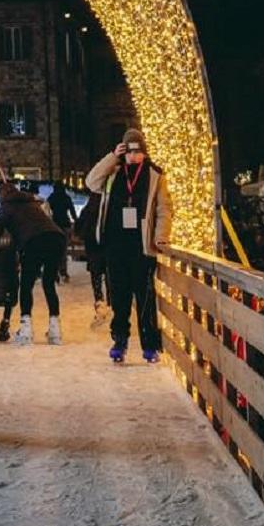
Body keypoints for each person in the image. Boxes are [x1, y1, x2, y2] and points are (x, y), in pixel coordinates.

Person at [85, 128, 171, 364]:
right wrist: (112, 156)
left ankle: (149, 345)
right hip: (115, 245)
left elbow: (164, 209)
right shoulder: (113, 172)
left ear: (144, 152)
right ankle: (120, 340)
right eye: (129, 151)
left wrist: (161, 235)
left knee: (144, 297)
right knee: (120, 298)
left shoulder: (155, 175)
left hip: (141, 246)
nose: (133, 156)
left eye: (137, 151)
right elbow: (91, 182)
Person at [0, 181, 67, 345]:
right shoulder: (30, 202)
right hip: (56, 238)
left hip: (33, 242)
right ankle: (55, 329)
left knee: (26, 284)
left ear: (2, 196)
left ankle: (26, 328)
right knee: (48, 283)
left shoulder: (7, 206)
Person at [75, 192, 111, 328]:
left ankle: (100, 306)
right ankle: (111, 306)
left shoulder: (88, 209)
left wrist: (83, 235)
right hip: (108, 249)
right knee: (109, 278)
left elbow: (79, 226)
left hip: (93, 250)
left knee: (96, 278)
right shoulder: (109, 209)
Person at [47, 182, 78, 282]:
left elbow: (46, 210)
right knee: (63, 250)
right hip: (65, 225)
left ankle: (54, 272)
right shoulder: (66, 198)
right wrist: (76, 222)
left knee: (53, 250)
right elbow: (72, 211)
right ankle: (63, 271)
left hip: (54, 225)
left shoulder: (51, 198)